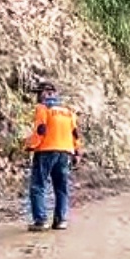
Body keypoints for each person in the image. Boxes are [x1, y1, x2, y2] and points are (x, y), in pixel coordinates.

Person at [24, 82, 82, 231]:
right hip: (65, 152)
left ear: (45, 93)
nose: (37, 97)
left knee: (38, 186)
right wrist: (77, 152)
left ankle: (41, 221)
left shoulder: (42, 108)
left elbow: (40, 130)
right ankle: (61, 220)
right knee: (61, 187)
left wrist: (30, 146)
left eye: (39, 93)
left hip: (46, 150)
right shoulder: (68, 111)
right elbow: (75, 133)